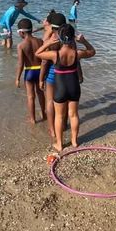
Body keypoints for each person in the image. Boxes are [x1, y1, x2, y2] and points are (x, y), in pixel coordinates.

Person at [36, 24, 96, 151]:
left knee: (59, 116)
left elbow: (38, 53)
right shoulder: (77, 53)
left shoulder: (55, 55)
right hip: (74, 86)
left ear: (60, 38)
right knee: (73, 115)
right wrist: (84, 41)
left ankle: (59, 144)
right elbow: (92, 52)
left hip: (60, 88)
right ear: (73, 37)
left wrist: (48, 43)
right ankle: (74, 141)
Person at [39, 10, 65, 142]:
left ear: (52, 27)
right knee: (62, 101)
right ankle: (63, 124)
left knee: (50, 101)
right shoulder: (68, 40)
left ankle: (52, 129)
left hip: (52, 75)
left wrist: (41, 78)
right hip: (65, 75)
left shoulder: (51, 41)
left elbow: (44, 61)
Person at [15, 18, 46, 124]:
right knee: (41, 94)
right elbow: (44, 58)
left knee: (30, 96)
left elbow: (20, 64)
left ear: (22, 32)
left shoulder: (21, 45)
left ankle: (33, 119)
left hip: (29, 73)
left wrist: (17, 78)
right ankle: (44, 114)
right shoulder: (40, 41)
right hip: (40, 71)